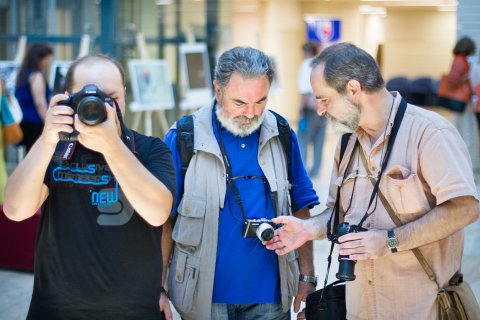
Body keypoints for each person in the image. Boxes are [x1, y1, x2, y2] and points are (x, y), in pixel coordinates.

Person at [265, 42, 480, 319]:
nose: (319, 110)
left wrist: (390, 240)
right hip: (359, 309)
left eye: (324, 99)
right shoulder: (346, 144)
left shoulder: (430, 132)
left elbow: (465, 208)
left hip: (421, 310)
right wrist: (307, 229)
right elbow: (336, 212)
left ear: (354, 90)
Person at [3, 54, 176, 319]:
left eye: (112, 98)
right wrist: (47, 139)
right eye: (89, 97)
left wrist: (111, 146)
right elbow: (15, 209)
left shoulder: (150, 149)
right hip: (54, 312)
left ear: (125, 96)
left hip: (133, 312)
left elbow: (157, 213)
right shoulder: (55, 150)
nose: (102, 107)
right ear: (67, 97)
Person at [163, 46, 320, 320]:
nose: (250, 113)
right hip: (203, 299)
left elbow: (301, 209)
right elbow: (165, 220)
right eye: (240, 103)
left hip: (271, 299)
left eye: (260, 101)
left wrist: (307, 278)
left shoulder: (282, 133)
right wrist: (157, 287)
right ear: (218, 90)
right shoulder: (183, 137)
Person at [15, 43, 53, 152]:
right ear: (39, 58)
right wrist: (48, 122)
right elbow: (39, 102)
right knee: (39, 156)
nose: (48, 62)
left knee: (30, 156)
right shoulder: (36, 76)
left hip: (25, 121)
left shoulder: (23, 75)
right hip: (35, 123)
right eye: (47, 58)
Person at [297, 41, 327, 178]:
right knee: (318, 141)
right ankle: (315, 171)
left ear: (306, 52)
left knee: (303, 141)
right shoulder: (322, 65)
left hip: (309, 108)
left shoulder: (306, 64)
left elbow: (304, 90)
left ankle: (303, 171)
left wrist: (300, 109)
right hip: (324, 106)